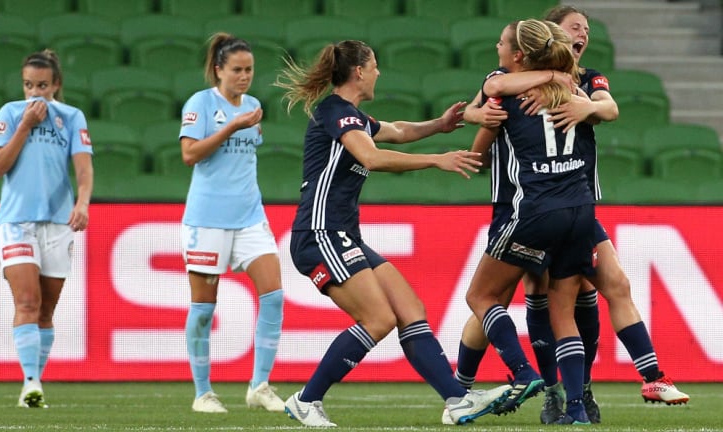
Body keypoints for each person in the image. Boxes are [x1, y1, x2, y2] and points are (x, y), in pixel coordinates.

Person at [457, 5, 689, 424]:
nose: (580, 35)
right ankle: (551, 397)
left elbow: (609, 106)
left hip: (532, 211)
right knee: (542, 299)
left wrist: (588, 106)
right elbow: (477, 107)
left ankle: (569, 390)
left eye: (584, 28)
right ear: (551, 38)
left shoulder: (575, 85)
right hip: (568, 208)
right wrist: (480, 112)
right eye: (572, 29)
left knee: (506, 297)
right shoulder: (540, 86)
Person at [274, 39, 511, 427]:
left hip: (343, 235)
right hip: (320, 234)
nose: (379, 72)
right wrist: (438, 159)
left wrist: (440, 125)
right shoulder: (336, 112)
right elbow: (372, 157)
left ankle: (456, 399)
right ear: (359, 72)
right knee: (379, 319)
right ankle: (306, 399)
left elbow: (397, 130)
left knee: (410, 311)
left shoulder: (353, 116)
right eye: (375, 65)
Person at [458, 19, 597, 425]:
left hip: (533, 209)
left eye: (501, 43)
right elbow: (608, 110)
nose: (496, 48)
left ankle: (523, 373)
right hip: (581, 208)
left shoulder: (505, 92)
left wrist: (473, 123)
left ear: (520, 55)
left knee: (482, 298)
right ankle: (575, 409)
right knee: (563, 310)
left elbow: (483, 139)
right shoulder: (578, 89)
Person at [178, 33, 285, 414]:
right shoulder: (201, 103)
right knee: (204, 309)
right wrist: (230, 128)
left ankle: (260, 385)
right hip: (208, 219)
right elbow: (190, 154)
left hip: (250, 216)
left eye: (249, 70)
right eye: (237, 70)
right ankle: (203, 393)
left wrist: (243, 124)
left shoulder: (254, 105)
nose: (244, 77)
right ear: (219, 70)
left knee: (273, 296)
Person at [0, 49, 94, 408]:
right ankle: (31, 383)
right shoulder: (10, 113)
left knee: (47, 310)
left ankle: (34, 379)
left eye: (42, 86)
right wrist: (25, 126)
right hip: (17, 221)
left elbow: (82, 167)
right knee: (27, 301)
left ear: (56, 85)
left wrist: (82, 202)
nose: (35, 93)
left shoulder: (71, 117)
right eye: (29, 85)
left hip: (58, 222)